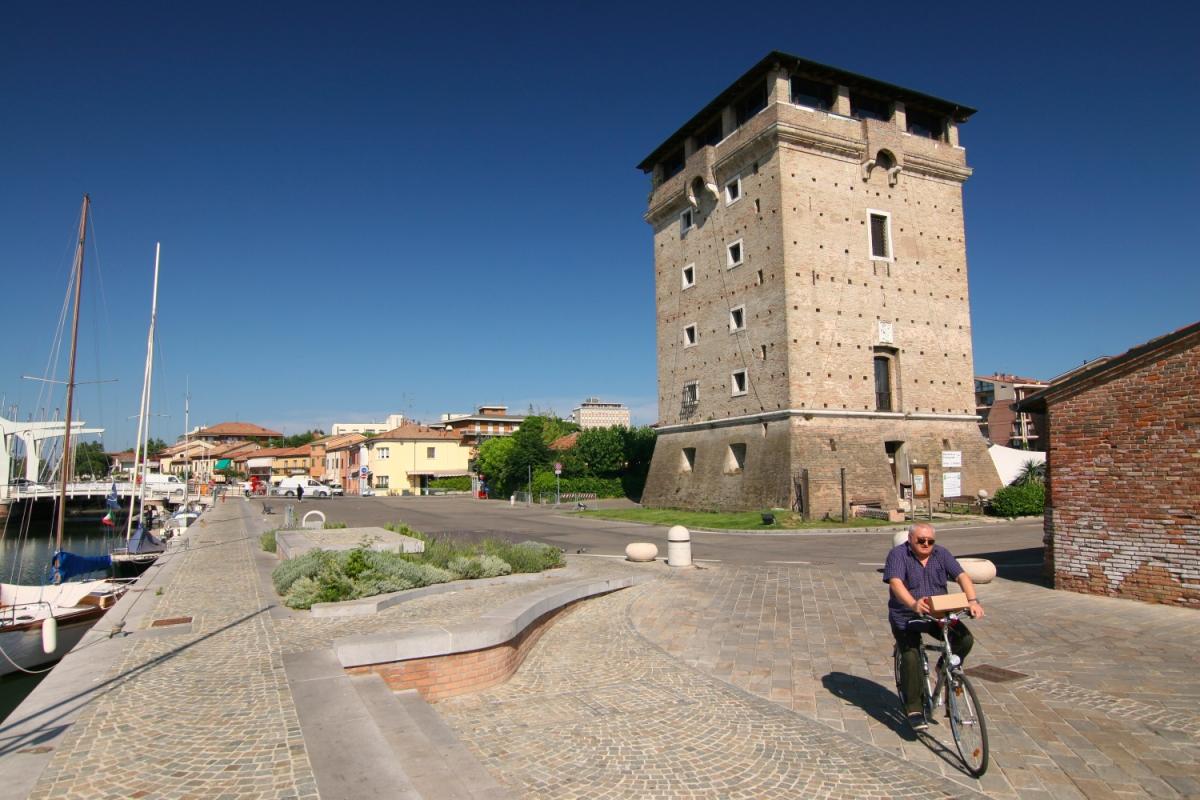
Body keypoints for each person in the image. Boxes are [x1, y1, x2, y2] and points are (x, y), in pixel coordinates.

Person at [884, 522, 985, 732]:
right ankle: (914, 709)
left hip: (937, 612)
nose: (926, 544)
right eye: (921, 540)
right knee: (911, 657)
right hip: (907, 615)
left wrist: (972, 601)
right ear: (910, 540)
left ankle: (942, 667)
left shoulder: (941, 554)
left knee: (964, 639)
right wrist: (913, 603)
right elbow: (896, 583)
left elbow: (962, 576)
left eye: (930, 541)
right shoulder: (898, 555)